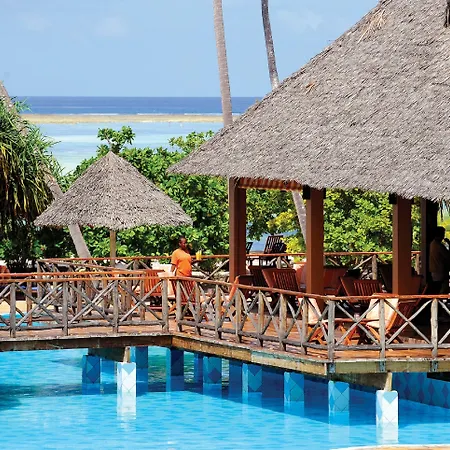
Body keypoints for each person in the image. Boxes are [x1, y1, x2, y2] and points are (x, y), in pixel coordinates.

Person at [429, 226, 450, 294]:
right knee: (440, 289)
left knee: (437, 288)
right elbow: (448, 256)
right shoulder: (439, 246)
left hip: (435, 270)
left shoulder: (433, 243)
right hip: (439, 271)